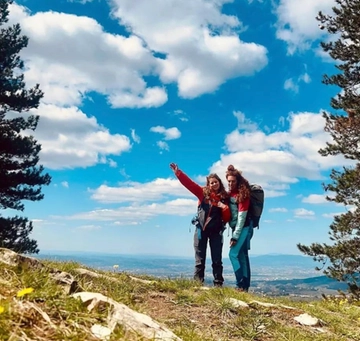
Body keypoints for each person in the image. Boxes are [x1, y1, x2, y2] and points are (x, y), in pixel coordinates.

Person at [170, 163, 230, 286]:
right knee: (199, 260)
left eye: (215, 182)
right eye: (211, 182)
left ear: (219, 183)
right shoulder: (203, 193)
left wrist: (224, 207)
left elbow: (227, 218)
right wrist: (178, 173)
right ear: (208, 184)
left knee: (217, 260)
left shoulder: (224, 198)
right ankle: (198, 284)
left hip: (216, 232)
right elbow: (190, 184)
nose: (214, 184)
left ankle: (218, 285)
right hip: (201, 230)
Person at [226, 164, 253, 291]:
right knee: (241, 256)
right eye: (229, 181)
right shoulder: (229, 194)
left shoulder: (243, 195)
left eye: (233, 181)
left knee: (232, 254)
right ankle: (245, 287)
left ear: (238, 181)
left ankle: (240, 285)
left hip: (244, 228)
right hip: (237, 228)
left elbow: (241, 219)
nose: (230, 184)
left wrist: (235, 237)